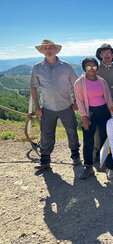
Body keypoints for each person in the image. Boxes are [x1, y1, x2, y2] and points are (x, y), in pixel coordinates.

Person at [30, 40, 80, 171]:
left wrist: (76, 102)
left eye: (50, 48)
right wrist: (37, 106)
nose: (48, 50)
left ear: (56, 50)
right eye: (45, 48)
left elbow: (76, 84)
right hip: (47, 108)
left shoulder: (66, 66)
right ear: (42, 51)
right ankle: (45, 160)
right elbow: (33, 87)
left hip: (66, 106)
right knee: (46, 134)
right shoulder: (37, 67)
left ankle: (75, 156)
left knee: (72, 132)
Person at [74, 58, 113, 179]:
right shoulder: (79, 82)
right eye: (88, 66)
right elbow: (79, 101)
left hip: (104, 111)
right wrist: (84, 117)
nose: (91, 69)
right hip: (89, 112)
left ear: (97, 68)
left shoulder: (102, 81)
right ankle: (88, 167)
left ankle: (105, 163)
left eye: (94, 66)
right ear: (84, 68)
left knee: (105, 137)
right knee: (88, 140)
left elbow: (108, 98)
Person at [93, 44, 113, 163]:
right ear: (100, 55)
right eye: (104, 53)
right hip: (100, 104)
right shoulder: (95, 70)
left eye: (109, 53)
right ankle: (99, 152)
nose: (107, 55)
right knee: (99, 130)